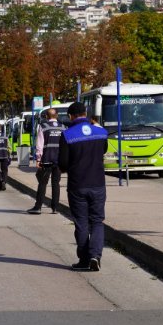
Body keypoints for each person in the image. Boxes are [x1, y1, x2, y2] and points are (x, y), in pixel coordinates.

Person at [58, 102, 108, 272]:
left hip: (77, 185)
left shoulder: (67, 135)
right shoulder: (101, 132)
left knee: (81, 223)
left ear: (71, 116)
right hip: (98, 184)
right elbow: (103, 150)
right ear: (85, 113)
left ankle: (84, 259)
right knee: (97, 221)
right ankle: (95, 256)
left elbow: (63, 164)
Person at [28, 108, 66, 214]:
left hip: (47, 159)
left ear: (46, 116)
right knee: (56, 184)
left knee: (42, 183)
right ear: (57, 116)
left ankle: (38, 207)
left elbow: (39, 144)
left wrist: (38, 158)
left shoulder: (43, 127)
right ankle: (55, 208)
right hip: (58, 160)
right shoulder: (63, 127)